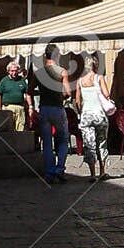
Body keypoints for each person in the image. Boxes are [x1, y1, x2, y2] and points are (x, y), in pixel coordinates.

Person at [35, 43, 71, 185]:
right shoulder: (62, 71)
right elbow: (68, 92)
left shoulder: (39, 72)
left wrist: (32, 106)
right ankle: (59, 169)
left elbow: (30, 91)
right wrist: (62, 96)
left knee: (47, 142)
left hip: (44, 108)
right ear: (57, 55)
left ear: (45, 55)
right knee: (62, 139)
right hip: (57, 108)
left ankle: (49, 172)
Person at [75, 53, 111, 182]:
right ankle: (102, 171)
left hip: (86, 115)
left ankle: (92, 174)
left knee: (89, 145)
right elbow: (107, 94)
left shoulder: (80, 81)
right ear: (95, 65)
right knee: (101, 143)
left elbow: (77, 100)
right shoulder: (99, 78)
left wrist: (80, 112)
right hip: (99, 115)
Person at [0, 61, 29, 132]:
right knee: (8, 129)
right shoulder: (4, 81)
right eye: (12, 71)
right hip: (8, 107)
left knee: (20, 129)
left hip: (20, 108)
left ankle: (19, 142)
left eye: (16, 71)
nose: (14, 73)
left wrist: (30, 106)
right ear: (8, 71)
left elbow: (27, 93)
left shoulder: (22, 80)